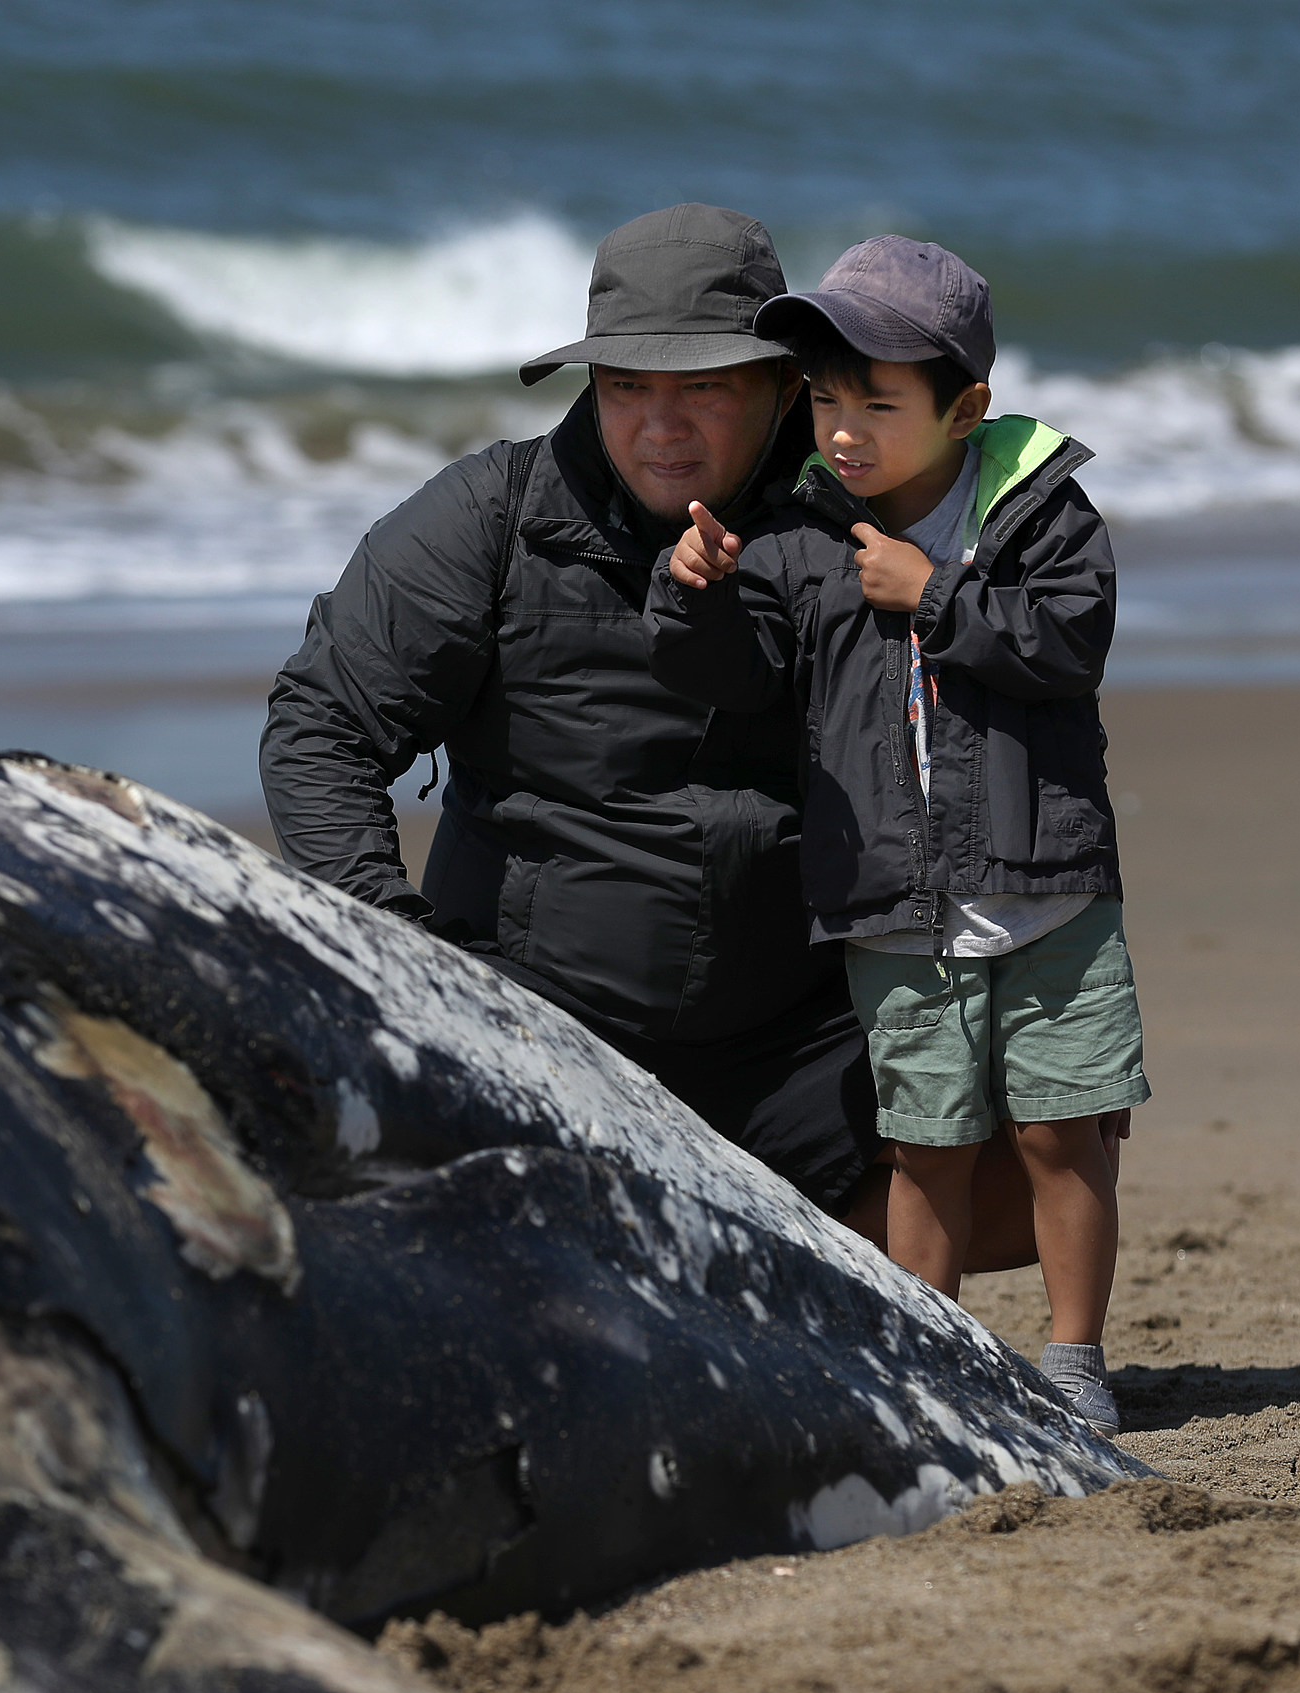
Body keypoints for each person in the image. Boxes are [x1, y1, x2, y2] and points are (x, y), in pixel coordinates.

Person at [261, 205, 1044, 1263]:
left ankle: (714, 1249)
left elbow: (1004, 721)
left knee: (1048, 1138)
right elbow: (321, 724)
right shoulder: (490, 517)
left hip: (792, 1034)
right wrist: (406, 959)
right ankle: (673, 1245)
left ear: (779, 384)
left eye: (704, 388)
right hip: (543, 1017)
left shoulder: (857, 526)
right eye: (628, 385)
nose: (659, 426)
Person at [646, 236, 1148, 1433]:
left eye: (878, 401)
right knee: (921, 1149)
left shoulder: (1041, 515)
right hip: (892, 903)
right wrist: (690, 592)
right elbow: (736, 677)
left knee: (1057, 1132)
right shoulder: (801, 535)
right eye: (824, 400)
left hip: (1051, 891)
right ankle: (934, 1360)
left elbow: (1068, 645)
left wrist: (932, 593)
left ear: (964, 407)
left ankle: (1074, 1361)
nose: (843, 431)